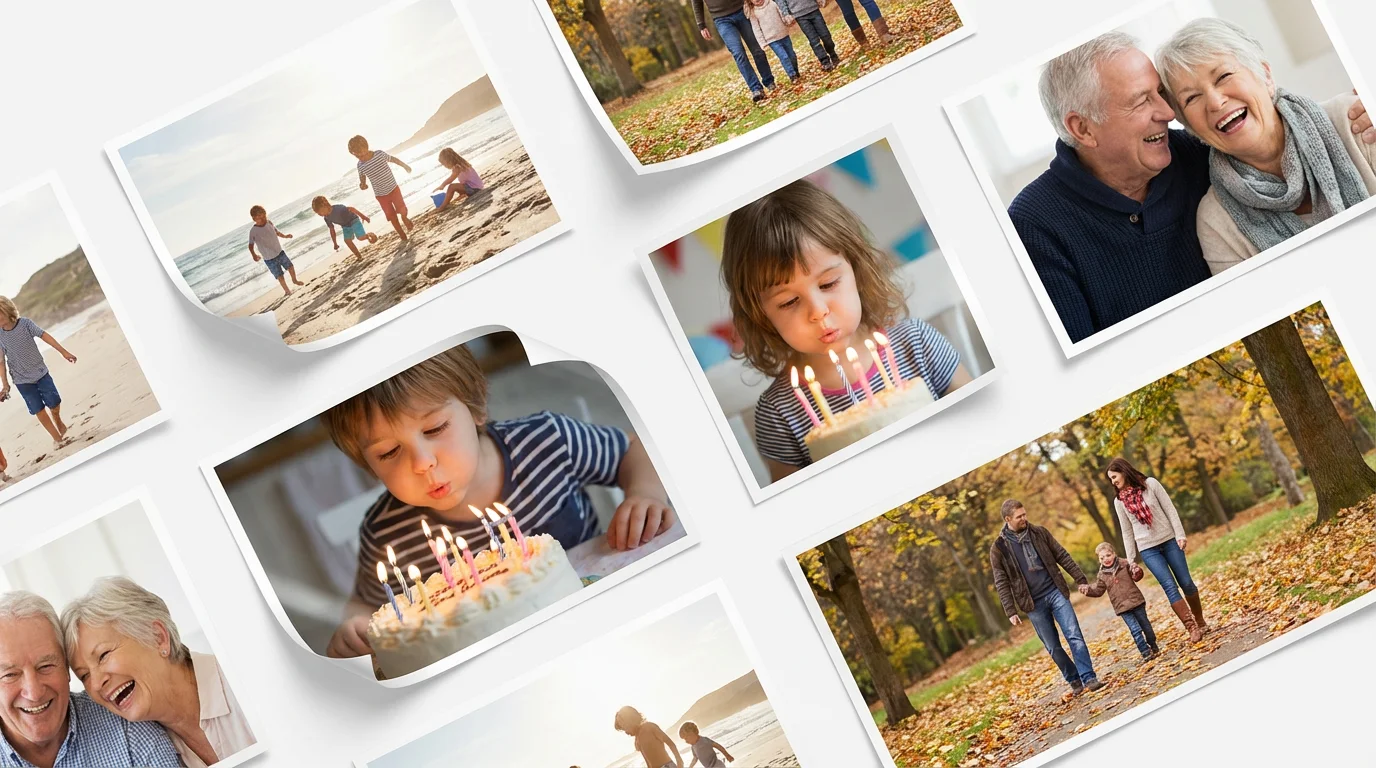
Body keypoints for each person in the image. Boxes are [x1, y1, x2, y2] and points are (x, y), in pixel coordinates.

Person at [1009, 32, 1373, 344]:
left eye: (1161, 94)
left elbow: (1269, 126)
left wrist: (1363, 105)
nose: (1167, 114)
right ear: (1083, 129)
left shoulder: (1204, 154)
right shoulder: (1032, 226)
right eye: (1141, 100)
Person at [321, 345, 676, 658]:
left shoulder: (545, 442)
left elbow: (633, 450)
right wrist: (356, 629)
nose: (421, 462)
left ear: (475, 407)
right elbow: (370, 608)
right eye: (389, 452)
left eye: (434, 430)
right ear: (367, 464)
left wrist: (644, 492)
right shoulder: (387, 534)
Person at [720, 179, 973, 482]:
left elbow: (978, 420)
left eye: (828, 284)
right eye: (788, 302)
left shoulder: (917, 344)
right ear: (760, 314)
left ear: (857, 269)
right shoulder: (779, 413)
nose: (817, 311)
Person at [1155, 18, 1376, 274]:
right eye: (1191, 97)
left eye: (1224, 76)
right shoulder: (1217, 223)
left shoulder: (1358, 122)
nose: (1215, 102)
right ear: (1190, 128)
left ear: (1266, 76)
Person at [61, 577, 256, 767]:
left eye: (103, 655)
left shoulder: (246, 681)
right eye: (84, 675)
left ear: (158, 637)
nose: (95, 684)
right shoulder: (150, 750)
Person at [0, 591, 180, 768]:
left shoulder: (127, 723)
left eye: (45, 666)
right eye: (10, 675)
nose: (34, 693)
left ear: (66, 668)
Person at [989, 500, 1103, 696]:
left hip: (1055, 591)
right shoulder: (999, 548)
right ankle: (1074, 678)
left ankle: (1089, 677)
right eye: (1019, 517)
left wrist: (1080, 579)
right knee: (1052, 647)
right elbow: (1001, 581)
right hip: (1033, 603)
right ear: (1008, 519)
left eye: (1025, 514)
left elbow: (1062, 555)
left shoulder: (1039, 533)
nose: (1024, 518)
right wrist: (1010, 610)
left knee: (1074, 635)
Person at [1106, 457, 1204, 643]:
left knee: (1187, 583)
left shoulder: (1150, 484)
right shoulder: (1119, 502)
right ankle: (1191, 627)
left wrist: (1180, 535)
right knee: (1169, 586)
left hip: (1169, 541)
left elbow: (1170, 510)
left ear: (1124, 471)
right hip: (1148, 549)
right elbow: (1127, 531)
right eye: (1110, 479)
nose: (1113, 481)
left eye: (1114, 476)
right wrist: (1131, 559)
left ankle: (1200, 620)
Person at [0, 297, 77, 450]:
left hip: (40, 372)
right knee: (38, 409)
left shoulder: (25, 324)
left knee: (54, 402)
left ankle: (58, 420)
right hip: (21, 379)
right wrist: (5, 385)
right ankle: (58, 439)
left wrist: (64, 352)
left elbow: (44, 336)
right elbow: (1, 361)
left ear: (7, 311)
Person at [1083, 542, 1159, 660]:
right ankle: (1145, 652)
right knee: (1135, 630)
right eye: (1102, 558)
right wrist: (1088, 590)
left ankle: (1153, 644)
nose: (1106, 559)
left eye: (1108, 555)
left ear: (1114, 554)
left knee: (1146, 626)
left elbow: (1136, 577)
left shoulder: (1125, 563)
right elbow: (1098, 590)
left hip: (1136, 601)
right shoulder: (1102, 575)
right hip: (1122, 607)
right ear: (1099, 560)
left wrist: (1137, 571)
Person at [692, 0, 778, 104]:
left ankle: (769, 81)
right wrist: (701, 25)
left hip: (742, 10)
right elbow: (696, 2)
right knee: (738, 53)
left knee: (757, 49)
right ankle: (756, 89)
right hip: (721, 19)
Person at [349, 135, 414, 241]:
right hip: (381, 195)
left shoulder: (379, 154)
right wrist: (363, 185)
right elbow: (362, 180)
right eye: (356, 155)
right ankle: (401, 233)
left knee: (402, 209)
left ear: (366, 147)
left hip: (393, 188)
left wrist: (405, 165)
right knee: (391, 216)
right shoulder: (360, 165)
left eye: (360, 153)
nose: (359, 157)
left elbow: (394, 160)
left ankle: (404, 218)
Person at [246, 205, 303, 297]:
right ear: (254, 218)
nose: (263, 218)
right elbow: (250, 245)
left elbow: (276, 232)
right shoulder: (253, 231)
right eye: (260, 217)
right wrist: (254, 255)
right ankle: (287, 291)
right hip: (269, 259)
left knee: (290, 266)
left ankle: (294, 280)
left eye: (264, 215)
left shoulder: (269, 223)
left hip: (279, 252)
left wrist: (285, 236)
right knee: (279, 275)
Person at [743, 0, 801, 83]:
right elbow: (756, 29)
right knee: (784, 57)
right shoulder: (753, 13)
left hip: (783, 34)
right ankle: (792, 75)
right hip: (771, 40)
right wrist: (762, 43)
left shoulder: (772, 3)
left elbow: (781, 14)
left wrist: (787, 21)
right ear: (750, 1)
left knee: (791, 55)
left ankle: (795, 71)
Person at [776, 0, 837, 72]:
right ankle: (825, 61)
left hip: (813, 9)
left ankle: (833, 54)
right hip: (799, 15)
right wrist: (786, 13)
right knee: (814, 41)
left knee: (826, 36)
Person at [614, 706, 683, 768]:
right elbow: (648, 762)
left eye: (625, 727)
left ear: (631, 721)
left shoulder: (649, 727)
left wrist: (679, 761)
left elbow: (670, 743)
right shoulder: (637, 740)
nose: (626, 732)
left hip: (666, 766)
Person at [312, 196, 377, 260]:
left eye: (321, 211)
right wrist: (335, 243)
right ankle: (359, 256)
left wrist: (363, 217)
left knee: (360, 238)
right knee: (347, 241)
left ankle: (368, 235)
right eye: (318, 214)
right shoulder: (327, 218)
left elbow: (352, 209)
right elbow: (332, 230)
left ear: (325, 205)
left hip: (353, 220)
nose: (321, 214)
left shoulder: (339, 208)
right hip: (345, 226)